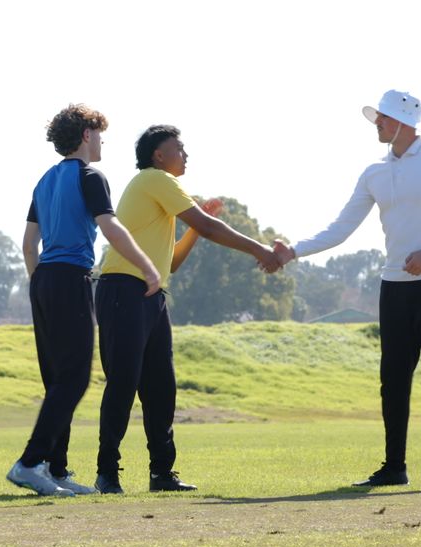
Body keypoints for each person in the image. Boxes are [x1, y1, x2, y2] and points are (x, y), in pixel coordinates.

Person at [274, 90, 421, 491]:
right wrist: (293, 252)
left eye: (383, 119)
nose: (377, 124)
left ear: (404, 122)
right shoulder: (373, 172)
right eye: (378, 118)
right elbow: (341, 228)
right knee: (392, 379)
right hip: (395, 287)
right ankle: (394, 466)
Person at [94, 124, 281, 494]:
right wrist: (260, 250)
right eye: (178, 148)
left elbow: (173, 262)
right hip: (122, 290)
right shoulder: (155, 178)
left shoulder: (160, 190)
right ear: (158, 155)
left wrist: (193, 227)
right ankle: (107, 474)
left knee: (161, 387)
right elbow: (210, 227)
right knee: (124, 383)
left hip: (152, 293)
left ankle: (162, 473)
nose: (185, 154)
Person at [7, 104, 161, 497]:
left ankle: (54, 470)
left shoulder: (44, 181)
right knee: (74, 378)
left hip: (43, 280)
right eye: (99, 133)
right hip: (69, 279)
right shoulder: (91, 175)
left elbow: (29, 246)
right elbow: (111, 227)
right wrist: (147, 266)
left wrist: (40, 285)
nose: (102, 140)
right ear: (86, 136)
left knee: (58, 379)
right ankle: (29, 463)